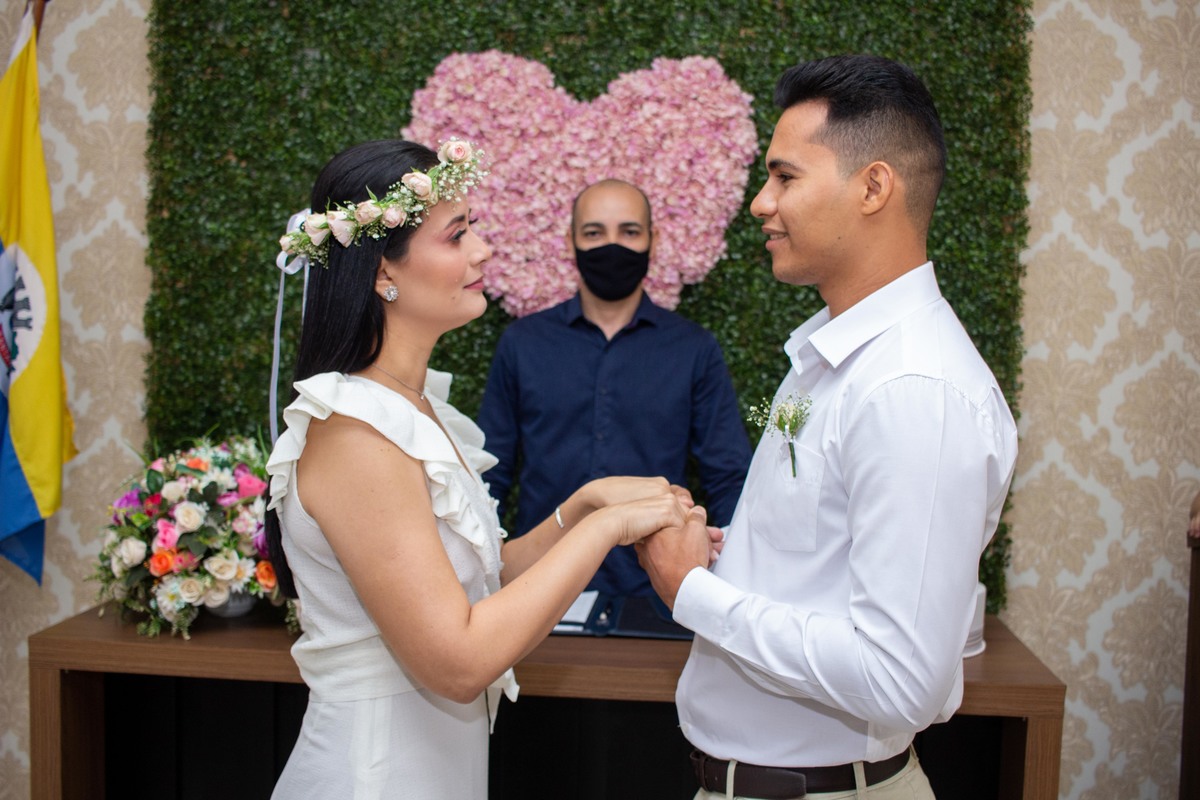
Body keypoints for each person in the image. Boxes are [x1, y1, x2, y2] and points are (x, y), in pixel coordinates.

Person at [637, 54, 1020, 799]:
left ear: (873, 187)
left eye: (784, 177)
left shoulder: (913, 388)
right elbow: (823, 555)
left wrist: (694, 590)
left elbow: (898, 679)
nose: (761, 203)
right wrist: (734, 557)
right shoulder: (832, 356)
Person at [263, 138, 694, 799]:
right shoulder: (357, 434)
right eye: (457, 234)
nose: (483, 250)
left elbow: (478, 578)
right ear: (383, 270)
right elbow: (459, 662)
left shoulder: (414, 409)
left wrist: (584, 503)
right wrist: (604, 530)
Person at [477, 178, 751, 598]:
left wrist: (731, 578)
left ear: (652, 240)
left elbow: (729, 477)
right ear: (571, 241)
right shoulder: (523, 343)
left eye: (629, 231)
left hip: (656, 593)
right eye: (594, 233)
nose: (612, 246)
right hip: (539, 585)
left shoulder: (693, 348)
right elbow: (489, 472)